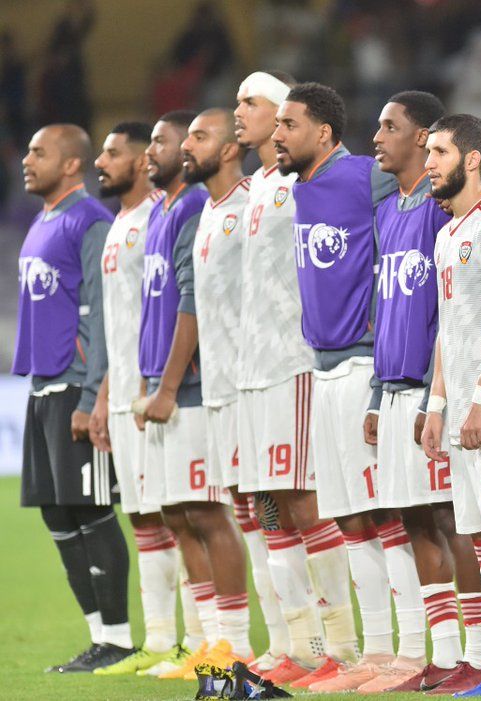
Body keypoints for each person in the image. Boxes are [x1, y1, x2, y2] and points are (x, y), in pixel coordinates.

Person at [272, 81, 406, 690]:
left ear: (323, 132)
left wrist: (382, 334)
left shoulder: (364, 176)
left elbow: (405, 238)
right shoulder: (302, 187)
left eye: (289, 125)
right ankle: (367, 654)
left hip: (360, 365)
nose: (278, 136)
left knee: (382, 515)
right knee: (349, 519)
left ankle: (405, 651)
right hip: (321, 370)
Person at [358, 90, 468, 695]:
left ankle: (480, 653)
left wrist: (436, 397)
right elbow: (386, 309)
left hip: (433, 392)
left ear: (423, 137)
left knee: (453, 519)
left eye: (389, 126)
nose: (377, 137)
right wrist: (378, 396)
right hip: (395, 389)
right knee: (416, 521)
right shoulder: (386, 212)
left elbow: (453, 310)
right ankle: (443, 655)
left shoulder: (441, 209)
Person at [232, 70, 337, 684]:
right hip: (252, 370)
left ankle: (340, 645)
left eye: (251, 103)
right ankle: (298, 644)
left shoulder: (306, 182)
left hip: (292, 362)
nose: (239, 112)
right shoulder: (256, 187)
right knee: (267, 505)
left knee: (303, 499)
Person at [14, 122, 130, 673]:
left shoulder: (90, 221)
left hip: (75, 386)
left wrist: (92, 394)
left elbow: (104, 311)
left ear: (70, 164)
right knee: (57, 514)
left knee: (91, 510)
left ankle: (120, 640)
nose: (26, 160)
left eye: (39, 152)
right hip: (41, 386)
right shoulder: (42, 221)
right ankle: (97, 638)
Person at [137, 109, 248, 680]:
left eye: (170, 140)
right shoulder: (170, 210)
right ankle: (207, 640)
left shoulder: (189, 210)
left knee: (206, 512)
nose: (157, 150)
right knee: (179, 515)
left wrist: (168, 385)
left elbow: (191, 304)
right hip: (167, 387)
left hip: (196, 388)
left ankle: (232, 642)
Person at [419, 113, 481, 696]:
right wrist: (438, 404)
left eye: (439, 152)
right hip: (459, 412)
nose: (429, 163)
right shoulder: (445, 233)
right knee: (479, 539)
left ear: (472, 159)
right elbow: (449, 327)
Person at [89, 122, 181, 676]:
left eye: (113, 153)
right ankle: (160, 638)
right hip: (123, 390)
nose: (101, 161)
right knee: (143, 517)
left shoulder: (157, 218)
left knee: (178, 514)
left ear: (144, 161)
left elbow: (164, 310)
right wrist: (105, 393)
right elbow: (119, 322)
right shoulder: (119, 223)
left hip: (153, 388)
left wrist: (154, 383)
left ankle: (199, 638)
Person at [182, 108, 257, 665]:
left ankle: (313, 643)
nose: (188, 146)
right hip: (218, 388)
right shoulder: (208, 211)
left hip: (255, 384)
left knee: (274, 511)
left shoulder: (254, 203)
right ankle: (243, 645)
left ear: (231, 148)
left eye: (200, 136)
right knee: (246, 511)